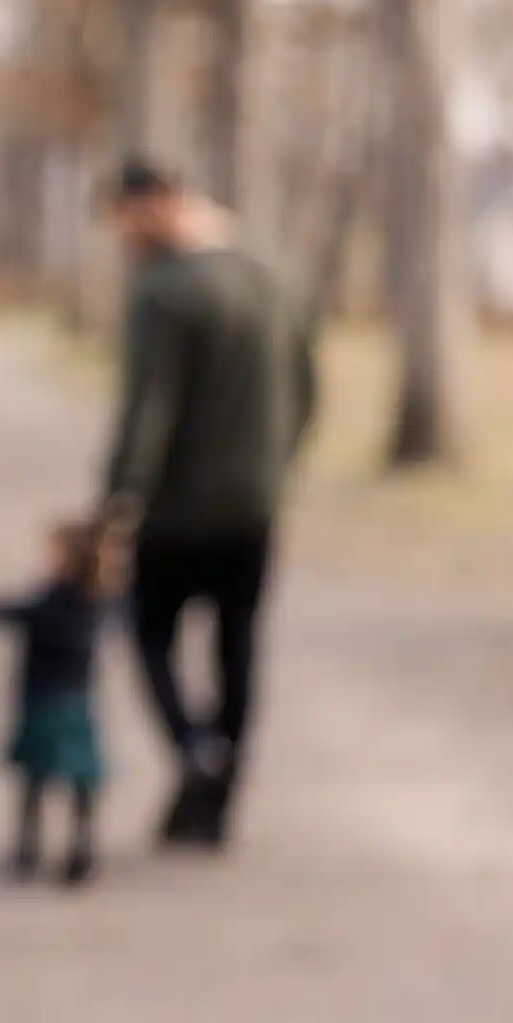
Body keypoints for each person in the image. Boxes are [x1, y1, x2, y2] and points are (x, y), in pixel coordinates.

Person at [99, 159, 318, 850]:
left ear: (160, 202)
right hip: (257, 501)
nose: (125, 240)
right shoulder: (272, 271)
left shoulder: (164, 289)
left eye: (127, 223)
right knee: (238, 644)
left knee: (148, 632)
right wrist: (280, 473)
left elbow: (146, 409)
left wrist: (118, 499)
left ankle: (196, 747)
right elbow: (308, 386)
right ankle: (215, 805)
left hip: (177, 507)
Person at [0, 518, 124, 887]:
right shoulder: (102, 603)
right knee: (80, 781)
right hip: (77, 701)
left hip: (45, 700)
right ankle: (79, 848)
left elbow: (10, 611)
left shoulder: (54, 602)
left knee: (35, 777)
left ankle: (31, 848)